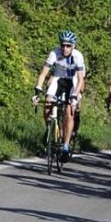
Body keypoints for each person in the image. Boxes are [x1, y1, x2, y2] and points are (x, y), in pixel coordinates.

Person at [32, 30, 86, 162]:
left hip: (73, 81)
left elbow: (80, 79)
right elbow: (43, 74)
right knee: (48, 105)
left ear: (73, 46)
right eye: (62, 45)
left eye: (68, 46)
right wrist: (37, 92)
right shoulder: (54, 53)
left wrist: (75, 95)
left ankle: (66, 146)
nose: (65, 48)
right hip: (58, 79)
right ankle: (49, 129)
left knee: (69, 113)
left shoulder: (78, 56)